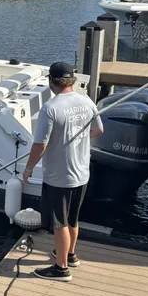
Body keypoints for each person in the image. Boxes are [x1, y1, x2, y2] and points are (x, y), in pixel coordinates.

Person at [23, 62, 104, 282]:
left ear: (52, 81)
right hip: (81, 172)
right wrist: (77, 137)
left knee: (60, 224)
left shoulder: (50, 108)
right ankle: (70, 255)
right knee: (73, 219)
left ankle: (61, 269)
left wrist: (28, 169)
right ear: (72, 80)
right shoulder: (86, 100)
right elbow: (99, 129)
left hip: (59, 176)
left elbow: (40, 144)